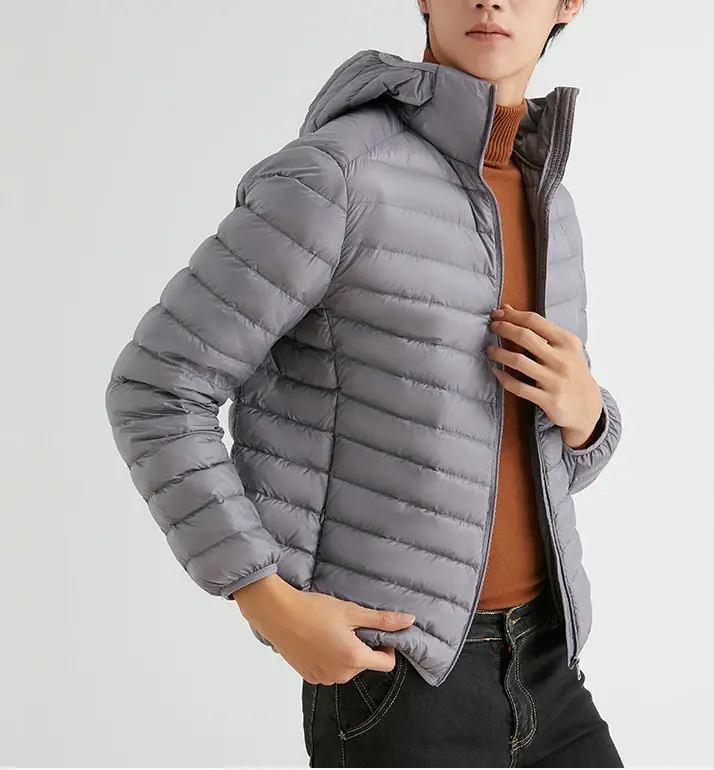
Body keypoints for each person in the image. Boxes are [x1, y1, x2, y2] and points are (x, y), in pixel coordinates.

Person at [105, 0, 624, 766]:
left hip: (547, 655)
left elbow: (515, 469)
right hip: (400, 677)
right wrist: (265, 599)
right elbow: (155, 388)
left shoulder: (549, 200)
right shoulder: (337, 175)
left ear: (568, 4)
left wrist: (587, 419)